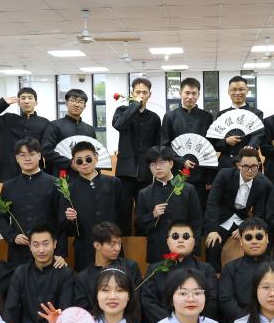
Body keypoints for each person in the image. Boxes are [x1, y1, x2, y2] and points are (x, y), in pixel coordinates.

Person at [0, 138, 61, 265]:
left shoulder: (54, 183)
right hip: (18, 251)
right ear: (17, 158)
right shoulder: (8, 186)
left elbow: (61, 219)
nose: (27, 159)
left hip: (47, 250)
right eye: (22, 155)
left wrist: (60, 252)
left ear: (39, 156)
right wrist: (12, 236)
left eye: (31, 154)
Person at [203, 147, 272, 271]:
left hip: (242, 219)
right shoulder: (224, 175)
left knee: (258, 240)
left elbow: (259, 213)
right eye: (246, 166)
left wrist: (244, 227)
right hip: (222, 218)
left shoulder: (261, 183)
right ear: (239, 165)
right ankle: (214, 276)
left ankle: (257, 273)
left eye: (254, 166)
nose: (250, 170)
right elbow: (212, 203)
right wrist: (212, 230)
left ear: (258, 165)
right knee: (213, 244)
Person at [139, 221, 219, 323]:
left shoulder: (207, 269)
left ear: (194, 241)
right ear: (168, 241)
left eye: (186, 236)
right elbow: (148, 302)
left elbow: (211, 302)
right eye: (175, 236)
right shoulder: (154, 269)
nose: (180, 240)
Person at [61, 140, 123, 271]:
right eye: (79, 161)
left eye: (88, 159)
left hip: (112, 245)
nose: (84, 163)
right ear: (74, 163)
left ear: (96, 158)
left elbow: (123, 214)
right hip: (84, 248)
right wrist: (71, 219)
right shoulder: (68, 189)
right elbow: (65, 227)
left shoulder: (114, 183)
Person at [135, 146, 202, 264]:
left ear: (171, 164)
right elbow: (139, 224)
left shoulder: (188, 189)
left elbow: (196, 221)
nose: (157, 167)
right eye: (153, 164)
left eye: (161, 163)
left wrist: (194, 248)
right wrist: (152, 215)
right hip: (157, 252)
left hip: (184, 251)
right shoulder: (144, 193)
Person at [112, 77, 161, 234]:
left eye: (144, 92)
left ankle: (143, 242)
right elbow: (118, 125)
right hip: (125, 172)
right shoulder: (122, 111)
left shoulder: (154, 118)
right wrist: (135, 106)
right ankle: (121, 244)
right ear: (132, 93)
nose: (141, 95)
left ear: (150, 95)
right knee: (123, 213)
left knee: (144, 212)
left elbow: (157, 146)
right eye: (138, 92)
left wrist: (155, 168)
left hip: (146, 173)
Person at [160, 77, 215, 213]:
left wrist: (209, 178)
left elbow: (210, 148)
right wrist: (181, 161)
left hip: (201, 173)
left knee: (200, 209)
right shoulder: (170, 117)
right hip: (176, 172)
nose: (190, 97)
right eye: (187, 93)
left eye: (194, 93)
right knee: (178, 208)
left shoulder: (207, 117)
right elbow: (165, 146)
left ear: (199, 95)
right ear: (180, 93)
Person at [218, 218, 274, 323]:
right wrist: (249, 321)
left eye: (259, 237)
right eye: (248, 237)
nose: (254, 241)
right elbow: (226, 300)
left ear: (267, 239)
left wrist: (271, 320)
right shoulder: (230, 268)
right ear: (241, 241)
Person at [1, 226, 75, 323]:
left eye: (46, 244)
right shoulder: (21, 272)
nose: (41, 250)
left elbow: (66, 309)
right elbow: (11, 308)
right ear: (30, 246)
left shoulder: (65, 274)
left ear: (54, 244)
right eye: (36, 245)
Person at [0, 87, 49, 182]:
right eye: (23, 98)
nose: (26, 101)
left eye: (30, 98)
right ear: (18, 102)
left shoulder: (44, 123)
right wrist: (3, 103)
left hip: (33, 170)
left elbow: (47, 149)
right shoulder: (8, 119)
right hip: (7, 171)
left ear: (36, 102)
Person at [73, 222, 144, 309]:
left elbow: (137, 301)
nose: (117, 248)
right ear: (97, 245)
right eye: (112, 244)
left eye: (119, 243)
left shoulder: (130, 267)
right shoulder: (83, 278)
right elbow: (83, 311)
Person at [209, 75, 266, 169]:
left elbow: (258, 135)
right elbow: (216, 143)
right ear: (228, 92)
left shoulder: (257, 113)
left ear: (247, 90)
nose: (237, 92)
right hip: (226, 164)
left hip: (249, 162)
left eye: (241, 89)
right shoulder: (221, 115)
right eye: (234, 89)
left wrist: (249, 148)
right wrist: (226, 141)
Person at [41, 88, 96, 175]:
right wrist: (69, 163)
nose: (76, 104)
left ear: (84, 106)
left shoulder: (89, 129)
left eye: (80, 102)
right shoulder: (54, 125)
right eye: (73, 101)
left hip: (84, 175)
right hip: (59, 174)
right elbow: (47, 151)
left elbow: (94, 152)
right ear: (66, 103)